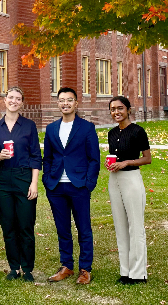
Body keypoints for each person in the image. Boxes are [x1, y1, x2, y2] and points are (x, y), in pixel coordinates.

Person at [42, 87, 100, 285]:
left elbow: (94, 159)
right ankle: (66, 265)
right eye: (61, 100)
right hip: (56, 187)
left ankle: (85, 269)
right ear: (58, 103)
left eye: (69, 100)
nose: (65, 103)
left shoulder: (87, 128)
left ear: (76, 103)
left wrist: (88, 184)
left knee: (84, 229)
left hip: (79, 186)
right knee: (62, 229)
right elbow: (47, 158)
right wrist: (48, 181)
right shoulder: (51, 129)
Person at [0, 87, 42, 282]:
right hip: (2, 180)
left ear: (22, 103)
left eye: (18, 99)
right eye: (11, 97)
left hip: (24, 177)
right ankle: (14, 267)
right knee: (8, 225)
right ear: (5, 100)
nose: (14, 101)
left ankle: (27, 269)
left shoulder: (28, 126)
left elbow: (36, 156)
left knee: (25, 225)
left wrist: (34, 184)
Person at [106, 96, 152, 285]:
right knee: (120, 227)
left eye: (120, 108)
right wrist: (112, 164)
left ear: (128, 110)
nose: (116, 112)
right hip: (114, 180)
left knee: (135, 226)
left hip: (131, 179)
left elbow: (147, 158)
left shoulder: (138, 131)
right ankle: (125, 271)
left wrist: (126, 162)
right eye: (112, 109)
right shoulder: (111, 133)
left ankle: (138, 273)